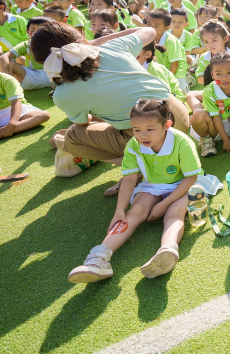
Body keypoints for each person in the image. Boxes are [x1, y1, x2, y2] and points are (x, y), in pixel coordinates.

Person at [33, 23, 191, 196]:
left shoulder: (63, 94)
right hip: (179, 119)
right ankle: (143, 162)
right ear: (78, 38)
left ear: (44, 61)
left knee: (72, 137)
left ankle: (138, 167)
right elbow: (150, 30)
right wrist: (95, 42)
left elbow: (83, 123)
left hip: (150, 138)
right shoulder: (114, 46)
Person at [67, 99, 200, 284]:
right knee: (134, 212)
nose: (142, 135)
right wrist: (119, 210)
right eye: (136, 130)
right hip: (152, 186)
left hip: (182, 185)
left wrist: (163, 204)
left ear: (167, 125)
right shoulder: (134, 145)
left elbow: (190, 178)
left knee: (174, 213)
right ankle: (98, 258)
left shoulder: (182, 142)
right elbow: (129, 179)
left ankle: (167, 250)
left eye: (150, 129)